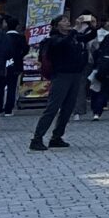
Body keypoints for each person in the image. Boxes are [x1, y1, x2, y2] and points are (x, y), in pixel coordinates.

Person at [29, 16, 89, 152]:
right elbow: (62, 45)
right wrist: (74, 30)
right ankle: (37, 138)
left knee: (68, 108)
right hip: (61, 75)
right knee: (53, 107)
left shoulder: (73, 37)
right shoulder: (52, 40)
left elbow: (88, 37)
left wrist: (91, 26)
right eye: (64, 21)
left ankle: (57, 136)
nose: (68, 22)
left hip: (75, 74)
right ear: (56, 26)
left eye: (68, 20)